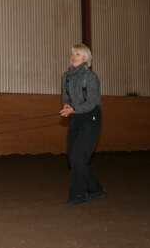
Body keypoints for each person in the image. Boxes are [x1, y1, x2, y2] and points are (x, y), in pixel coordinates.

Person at [59, 44, 107, 205]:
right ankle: (97, 189)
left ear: (85, 58)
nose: (73, 56)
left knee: (79, 157)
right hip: (75, 117)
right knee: (74, 159)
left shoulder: (90, 77)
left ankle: (77, 196)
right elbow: (65, 96)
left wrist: (73, 109)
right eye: (72, 53)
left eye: (78, 54)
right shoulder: (65, 76)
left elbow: (92, 102)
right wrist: (66, 105)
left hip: (90, 117)